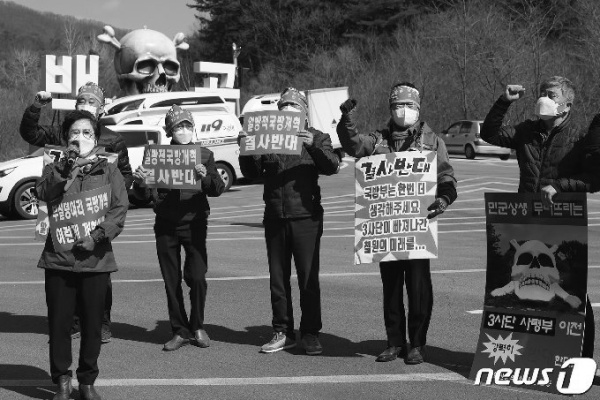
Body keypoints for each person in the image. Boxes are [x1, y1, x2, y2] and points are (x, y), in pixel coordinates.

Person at [337, 82, 457, 364]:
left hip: (417, 226)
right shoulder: (377, 140)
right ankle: (394, 342)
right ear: (391, 109)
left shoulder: (432, 141)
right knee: (390, 287)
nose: (404, 111)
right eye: (398, 106)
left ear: (418, 109)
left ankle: (417, 343)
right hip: (386, 227)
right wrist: (347, 120)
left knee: (418, 287)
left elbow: (447, 177)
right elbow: (352, 144)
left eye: (410, 106)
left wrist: (444, 200)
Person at [480, 76, 599, 358]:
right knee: (522, 289)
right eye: (544, 92)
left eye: (553, 94)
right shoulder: (527, 131)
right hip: (527, 217)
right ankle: (528, 355)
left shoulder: (579, 136)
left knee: (571, 291)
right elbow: (489, 135)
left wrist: (560, 186)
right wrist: (503, 101)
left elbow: (595, 180)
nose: (546, 97)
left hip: (562, 221)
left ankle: (581, 357)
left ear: (566, 105)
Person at [20, 82, 133, 343]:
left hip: (96, 215)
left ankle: (102, 323)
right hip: (63, 213)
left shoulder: (113, 139)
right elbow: (30, 133)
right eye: (81, 100)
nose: (86, 105)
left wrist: (112, 191)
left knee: (99, 274)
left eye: (92, 101)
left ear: (102, 108)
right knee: (65, 269)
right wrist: (36, 107)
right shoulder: (61, 134)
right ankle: (72, 323)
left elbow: (124, 173)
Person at [238, 87, 340, 355]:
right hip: (274, 216)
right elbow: (252, 173)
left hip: (306, 216)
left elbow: (332, 165)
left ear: (304, 113)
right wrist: (245, 149)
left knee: (308, 278)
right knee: (278, 278)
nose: (289, 112)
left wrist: (312, 145)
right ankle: (283, 330)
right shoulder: (267, 136)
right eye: (284, 108)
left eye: (294, 108)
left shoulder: (317, 136)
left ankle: (310, 333)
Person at [36, 110, 128, 400]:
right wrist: (63, 169)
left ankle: (87, 381)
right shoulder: (56, 166)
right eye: (74, 133)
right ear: (66, 139)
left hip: (96, 260)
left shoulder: (108, 169)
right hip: (59, 260)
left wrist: (97, 237)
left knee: (91, 325)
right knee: (59, 324)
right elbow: (44, 192)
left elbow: (118, 209)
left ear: (96, 139)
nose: (80, 138)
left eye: (87, 133)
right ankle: (62, 380)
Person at [132, 105, 224, 351]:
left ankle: (197, 325)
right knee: (170, 279)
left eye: (187, 125)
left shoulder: (204, 155)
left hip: (194, 222)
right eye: (178, 127)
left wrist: (205, 177)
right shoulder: (157, 155)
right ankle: (179, 330)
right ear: (170, 131)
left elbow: (216, 188)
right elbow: (142, 193)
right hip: (165, 223)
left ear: (193, 128)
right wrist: (140, 181)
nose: (183, 130)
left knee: (196, 276)